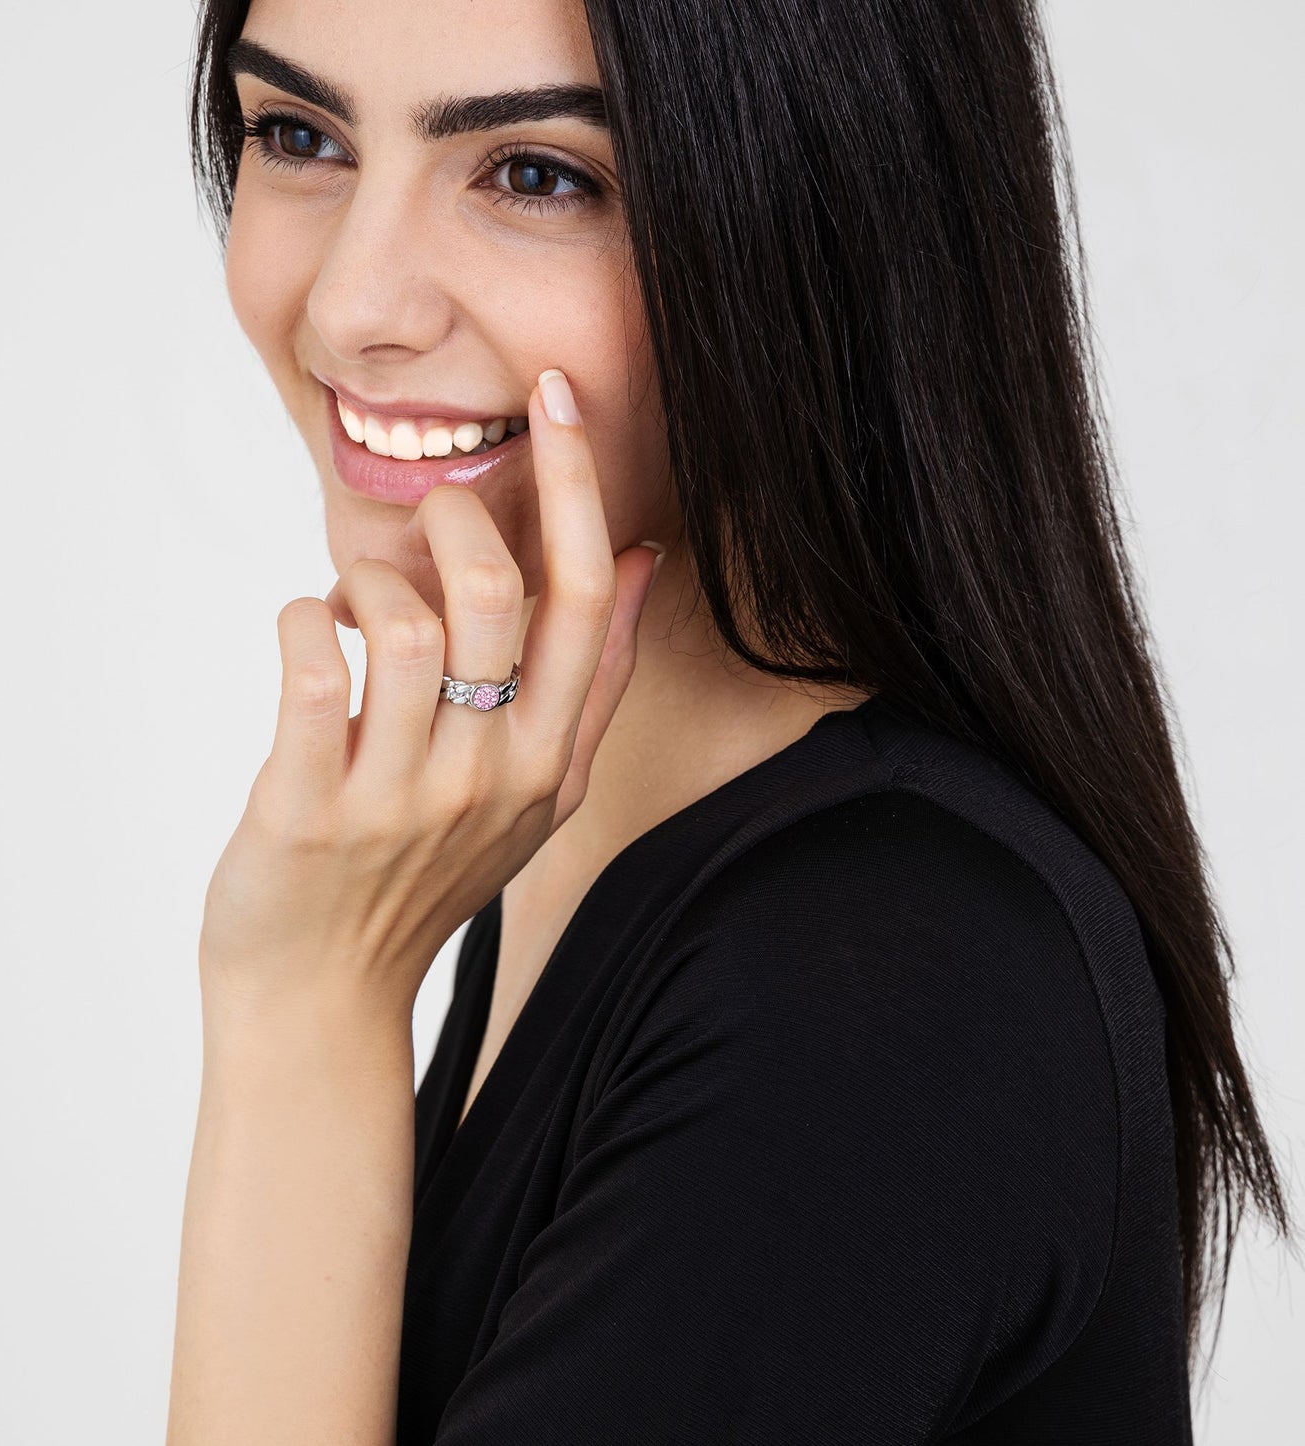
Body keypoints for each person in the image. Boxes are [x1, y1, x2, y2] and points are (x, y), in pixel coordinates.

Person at [165, 1, 1293, 1442]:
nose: (349, 305)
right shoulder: (556, 818)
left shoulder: (880, 977)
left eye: (537, 174)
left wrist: (304, 1004)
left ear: (820, 214)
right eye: (298, 134)